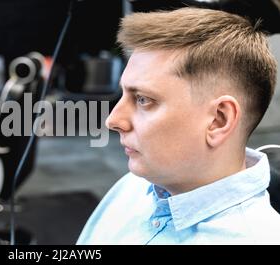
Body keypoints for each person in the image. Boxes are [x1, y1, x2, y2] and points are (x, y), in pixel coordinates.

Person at [77, 7, 280, 244]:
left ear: (218, 120)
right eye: (123, 94)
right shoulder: (133, 187)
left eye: (143, 99)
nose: (113, 120)